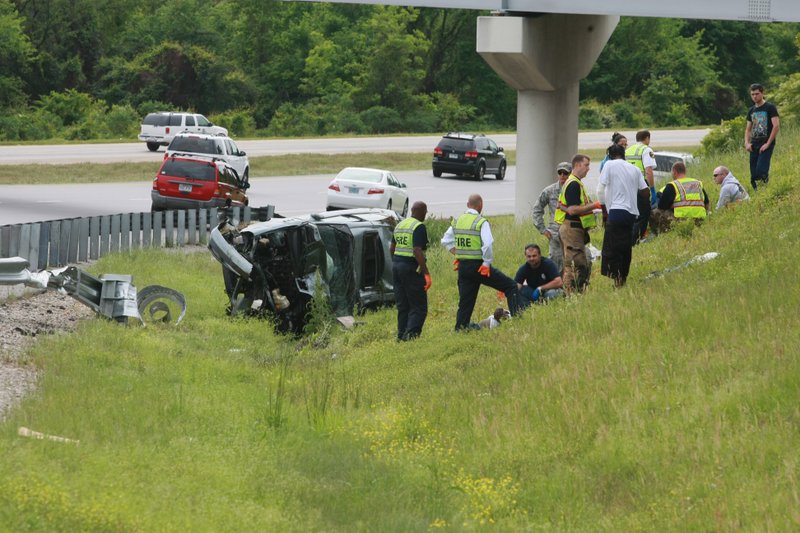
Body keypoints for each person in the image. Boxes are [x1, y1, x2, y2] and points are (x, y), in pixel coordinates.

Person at [441, 194, 521, 331]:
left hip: (463, 267)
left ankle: (461, 327)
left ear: (467, 204)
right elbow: (488, 244)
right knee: (510, 286)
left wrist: (459, 254)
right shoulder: (480, 222)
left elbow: (445, 241)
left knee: (465, 301)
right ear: (480, 205)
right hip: (478, 266)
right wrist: (486, 263)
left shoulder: (457, 220)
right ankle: (519, 320)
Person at [597, 143, 649, 287]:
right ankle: (623, 278)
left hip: (616, 211)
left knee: (611, 247)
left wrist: (604, 212)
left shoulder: (609, 165)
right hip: (631, 214)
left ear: (610, 156)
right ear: (624, 154)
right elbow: (645, 192)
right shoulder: (635, 169)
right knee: (626, 247)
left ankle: (617, 279)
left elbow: (600, 189)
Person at [555, 154, 600, 295]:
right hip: (572, 228)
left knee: (576, 262)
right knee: (575, 263)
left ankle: (573, 292)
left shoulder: (574, 182)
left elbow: (563, 206)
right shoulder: (573, 184)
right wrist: (594, 206)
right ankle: (571, 294)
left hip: (574, 228)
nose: (588, 169)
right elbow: (573, 210)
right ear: (577, 165)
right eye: (586, 165)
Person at [390, 201, 431, 341]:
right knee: (419, 306)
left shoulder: (400, 225)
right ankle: (411, 337)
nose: (426, 214)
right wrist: (425, 272)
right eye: (425, 212)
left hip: (396, 266)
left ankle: (401, 336)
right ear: (420, 211)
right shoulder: (418, 227)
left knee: (403, 305)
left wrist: (396, 262)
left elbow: (392, 248)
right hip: (410, 268)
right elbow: (417, 250)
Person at [532, 161, 570, 274]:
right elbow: (537, 209)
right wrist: (543, 229)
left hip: (572, 233)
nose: (562, 175)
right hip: (555, 235)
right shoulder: (549, 191)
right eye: (560, 173)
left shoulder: (576, 189)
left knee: (573, 263)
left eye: (565, 173)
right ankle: (555, 289)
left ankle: (572, 288)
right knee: (556, 264)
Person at [650, 161, 709, 233]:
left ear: (674, 172)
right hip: (700, 220)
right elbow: (706, 203)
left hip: (682, 220)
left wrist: (674, 205)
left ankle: (663, 232)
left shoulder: (672, 185)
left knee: (654, 212)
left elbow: (662, 206)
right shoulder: (698, 183)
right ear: (685, 171)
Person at [745, 83, 780, 190]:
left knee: (761, 170)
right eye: (752, 94)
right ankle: (757, 193)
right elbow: (748, 129)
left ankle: (765, 190)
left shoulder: (770, 107)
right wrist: (746, 143)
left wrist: (768, 144)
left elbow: (776, 126)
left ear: (762, 93)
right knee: (754, 173)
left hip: (766, 143)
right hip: (754, 144)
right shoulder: (751, 110)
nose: (755, 96)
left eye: (757, 94)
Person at [625, 129, 657, 241]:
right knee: (644, 213)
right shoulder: (646, 150)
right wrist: (652, 189)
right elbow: (648, 170)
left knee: (632, 214)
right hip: (641, 186)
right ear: (647, 138)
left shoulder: (628, 150)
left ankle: (630, 238)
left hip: (628, 187)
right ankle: (636, 239)